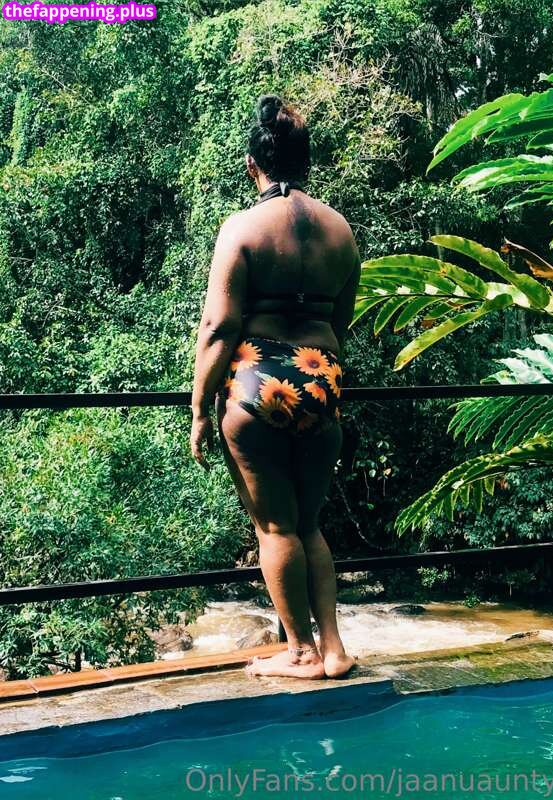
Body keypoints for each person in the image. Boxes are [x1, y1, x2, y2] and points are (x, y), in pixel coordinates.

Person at [190, 95, 361, 679]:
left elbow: (218, 327)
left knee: (276, 526)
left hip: (258, 381)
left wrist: (199, 410)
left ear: (251, 165)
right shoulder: (340, 230)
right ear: (306, 162)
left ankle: (301, 653)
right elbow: (341, 322)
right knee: (309, 524)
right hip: (321, 375)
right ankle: (334, 649)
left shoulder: (242, 228)